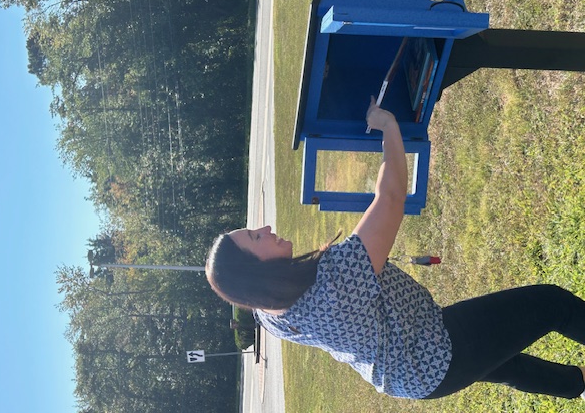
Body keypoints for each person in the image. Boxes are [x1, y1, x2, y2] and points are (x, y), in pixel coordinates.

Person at [205, 98, 585, 400]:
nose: (265, 228)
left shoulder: (271, 313)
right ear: (258, 271)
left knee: (504, 365)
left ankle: (574, 384)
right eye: (255, 237)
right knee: (552, 305)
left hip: (413, 365)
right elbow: (390, 199)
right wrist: (388, 125)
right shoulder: (334, 284)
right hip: (435, 354)